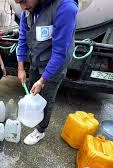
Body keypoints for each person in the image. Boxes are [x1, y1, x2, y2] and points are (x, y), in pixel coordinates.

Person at [14, 0, 78, 145]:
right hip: (36, 61)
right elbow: (23, 38)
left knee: (46, 99)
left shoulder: (65, 7)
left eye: (23, 1)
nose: (22, 7)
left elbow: (60, 52)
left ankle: (40, 131)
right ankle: (33, 116)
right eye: (19, 3)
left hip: (54, 65)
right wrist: (20, 68)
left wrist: (43, 80)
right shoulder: (28, 10)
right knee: (33, 94)